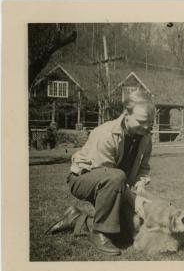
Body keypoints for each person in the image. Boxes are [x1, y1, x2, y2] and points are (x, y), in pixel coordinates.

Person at [45, 90, 155, 256]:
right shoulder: (106, 133)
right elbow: (108, 174)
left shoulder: (145, 137)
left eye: (150, 122)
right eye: (142, 121)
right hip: (83, 178)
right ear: (126, 114)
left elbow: (144, 168)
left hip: (116, 186)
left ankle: (76, 218)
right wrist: (134, 199)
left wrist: (140, 184)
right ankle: (99, 233)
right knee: (116, 177)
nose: (147, 127)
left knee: (132, 229)